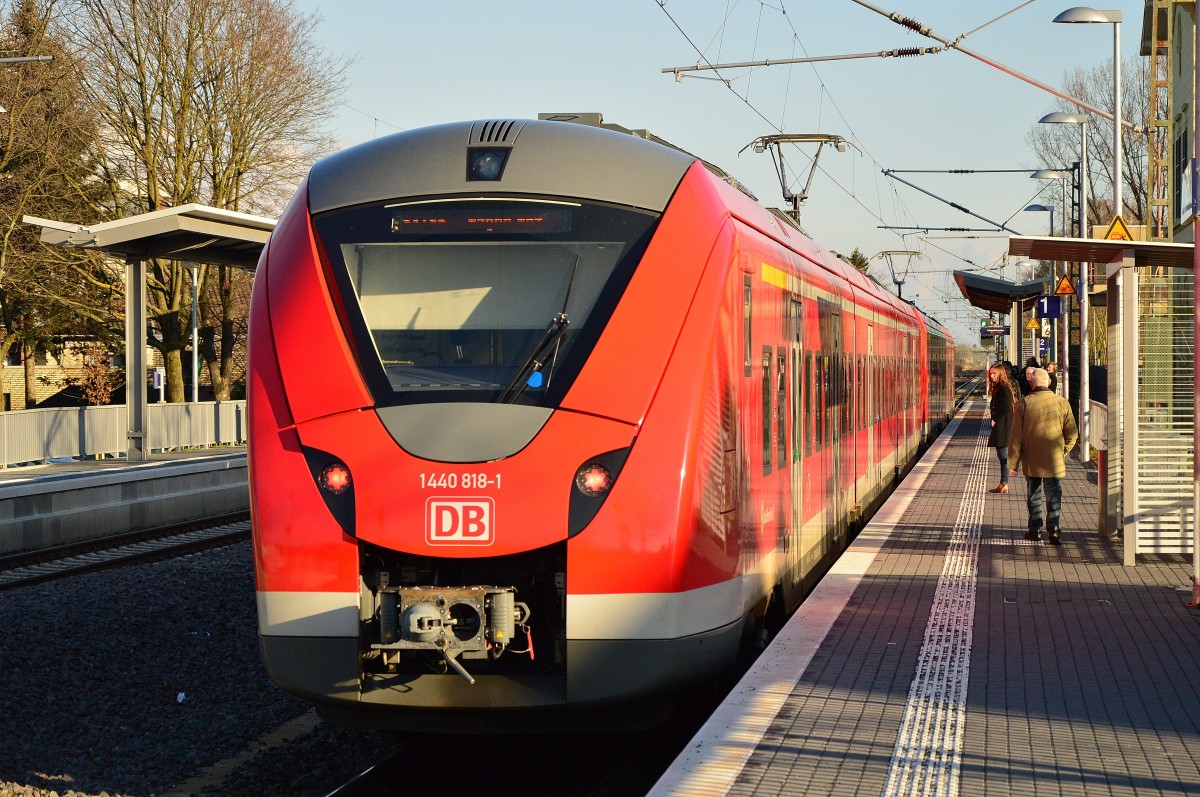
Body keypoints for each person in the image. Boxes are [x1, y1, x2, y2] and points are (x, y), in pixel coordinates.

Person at [1009, 367, 1079, 545]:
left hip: (1031, 460)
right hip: (1054, 459)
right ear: (1048, 382)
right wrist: (1063, 451)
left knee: (1034, 495)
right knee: (1054, 494)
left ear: (1032, 384)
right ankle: (1054, 528)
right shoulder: (1062, 402)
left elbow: (1015, 436)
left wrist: (1013, 463)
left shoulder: (1024, 403)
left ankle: (1035, 530)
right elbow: (1072, 433)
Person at [986, 363, 1016, 494]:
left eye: (994, 374)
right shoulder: (1001, 387)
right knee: (1001, 453)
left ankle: (1004, 483)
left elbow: (1007, 406)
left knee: (1003, 454)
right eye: (990, 374)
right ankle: (1004, 482)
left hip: (1003, 425)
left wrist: (995, 418)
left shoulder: (1004, 388)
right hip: (1002, 424)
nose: (992, 376)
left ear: (1000, 374)